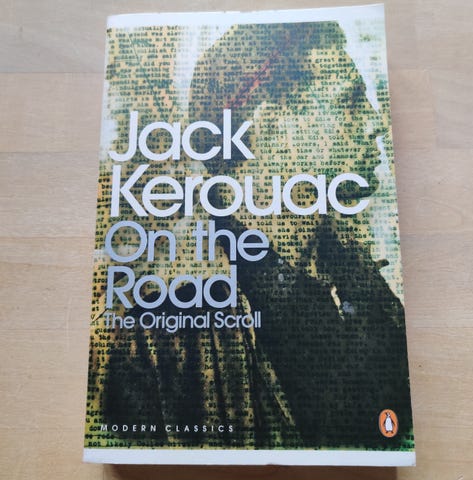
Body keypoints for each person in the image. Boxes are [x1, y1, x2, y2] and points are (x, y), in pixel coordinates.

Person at [95, 21, 413, 450]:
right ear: (268, 123)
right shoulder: (156, 332)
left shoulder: (359, 280)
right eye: (350, 101)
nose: (376, 124)